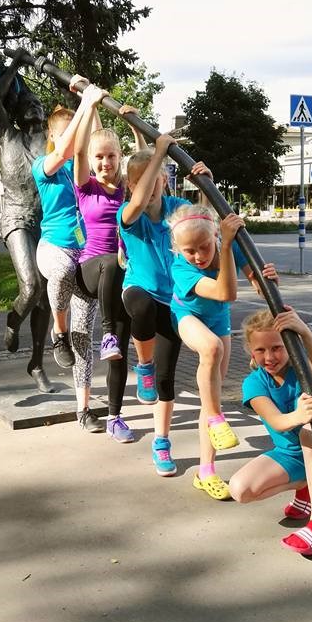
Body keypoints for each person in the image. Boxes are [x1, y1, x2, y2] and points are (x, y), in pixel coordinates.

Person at [0, 51, 88, 392]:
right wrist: (16, 64)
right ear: (16, 110)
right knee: (30, 287)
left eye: (38, 104)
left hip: (46, 224)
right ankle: (13, 319)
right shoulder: (7, 135)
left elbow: (71, 123)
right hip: (16, 217)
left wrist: (70, 85)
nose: (33, 105)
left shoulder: (50, 142)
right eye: (26, 102)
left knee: (45, 295)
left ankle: (37, 364)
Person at [166, 196, 279, 500]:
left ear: (214, 235)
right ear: (178, 250)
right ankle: (217, 418)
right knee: (211, 348)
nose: (198, 256)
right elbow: (225, 293)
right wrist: (225, 246)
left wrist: (267, 279)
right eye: (189, 251)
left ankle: (205, 471)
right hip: (186, 315)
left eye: (204, 247)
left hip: (218, 320)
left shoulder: (228, 244)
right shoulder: (181, 268)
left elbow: (256, 281)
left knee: (211, 394)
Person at [228, 307, 312, 556]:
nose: (269, 357)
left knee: (309, 430)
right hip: (291, 455)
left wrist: (304, 332)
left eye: (277, 348)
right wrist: (299, 414)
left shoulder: (302, 369)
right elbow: (277, 421)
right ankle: (308, 487)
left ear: (288, 346)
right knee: (240, 489)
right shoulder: (254, 383)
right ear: (251, 352)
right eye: (261, 350)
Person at [71, 93, 147, 442]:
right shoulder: (86, 188)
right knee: (108, 263)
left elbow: (146, 163)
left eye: (111, 156)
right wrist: (88, 105)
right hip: (89, 270)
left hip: (120, 276)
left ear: (119, 158)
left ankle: (115, 418)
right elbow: (78, 151)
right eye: (98, 157)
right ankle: (107, 333)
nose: (105, 162)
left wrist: (136, 127)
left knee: (118, 356)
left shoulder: (127, 190)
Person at [118, 133, 189, 475]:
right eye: (141, 181)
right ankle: (142, 364)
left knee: (166, 378)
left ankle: (161, 441)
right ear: (132, 186)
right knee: (143, 308)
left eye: (156, 178)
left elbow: (205, 227)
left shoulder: (177, 210)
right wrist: (159, 152)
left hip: (171, 302)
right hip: (137, 289)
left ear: (163, 179)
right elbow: (139, 202)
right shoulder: (128, 214)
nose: (150, 186)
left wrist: (205, 183)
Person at [32, 84, 100, 370]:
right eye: (66, 133)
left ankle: (84, 398)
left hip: (85, 251)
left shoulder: (82, 168)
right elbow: (62, 151)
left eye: (76, 133)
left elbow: (98, 142)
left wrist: (92, 104)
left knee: (83, 336)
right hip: (54, 248)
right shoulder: (43, 166)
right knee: (62, 271)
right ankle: (59, 332)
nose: (73, 141)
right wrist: (84, 104)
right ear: (52, 136)